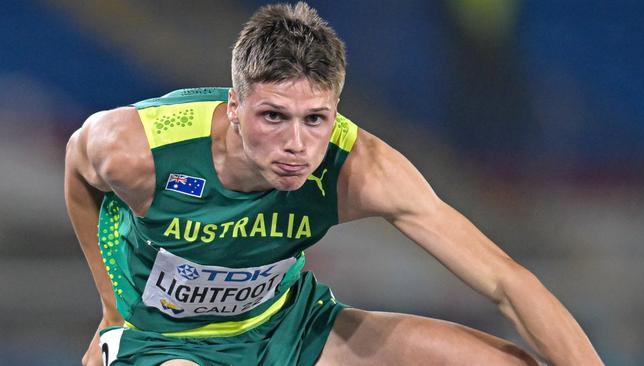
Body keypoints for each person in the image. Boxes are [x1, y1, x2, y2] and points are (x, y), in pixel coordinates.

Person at [65, 2, 603, 365]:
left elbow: (507, 284)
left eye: (315, 119)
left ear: (335, 111)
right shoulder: (136, 148)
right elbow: (77, 168)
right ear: (233, 107)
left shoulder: (360, 167)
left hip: (290, 328)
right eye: (273, 116)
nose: (297, 144)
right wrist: (111, 308)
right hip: (161, 339)